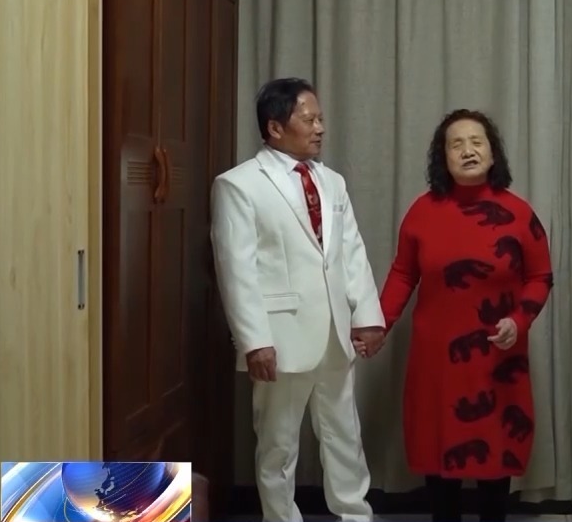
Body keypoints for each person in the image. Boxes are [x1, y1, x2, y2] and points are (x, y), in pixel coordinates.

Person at [211, 77, 386, 521]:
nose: (320, 128)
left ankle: (355, 515)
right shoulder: (239, 185)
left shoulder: (332, 182)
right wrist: (254, 341)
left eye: (320, 119)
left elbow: (351, 251)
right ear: (275, 127)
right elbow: (236, 270)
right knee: (278, 445)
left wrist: (367, 316)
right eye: (309, 120)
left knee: (345, 437)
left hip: (334, 333)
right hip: (280, 336)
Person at [377, 109, 554, 522]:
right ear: (443, 158)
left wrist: (519, 321)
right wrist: (378, 325)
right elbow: (403, 274)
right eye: (456, 144)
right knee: (440, 456)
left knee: (495, 453)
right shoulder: (422, 212)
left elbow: (540, 276)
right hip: (436, 357)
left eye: (477, 142)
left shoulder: (519, 213)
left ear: (493, 154)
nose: (468, 151)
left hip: (497, 355)